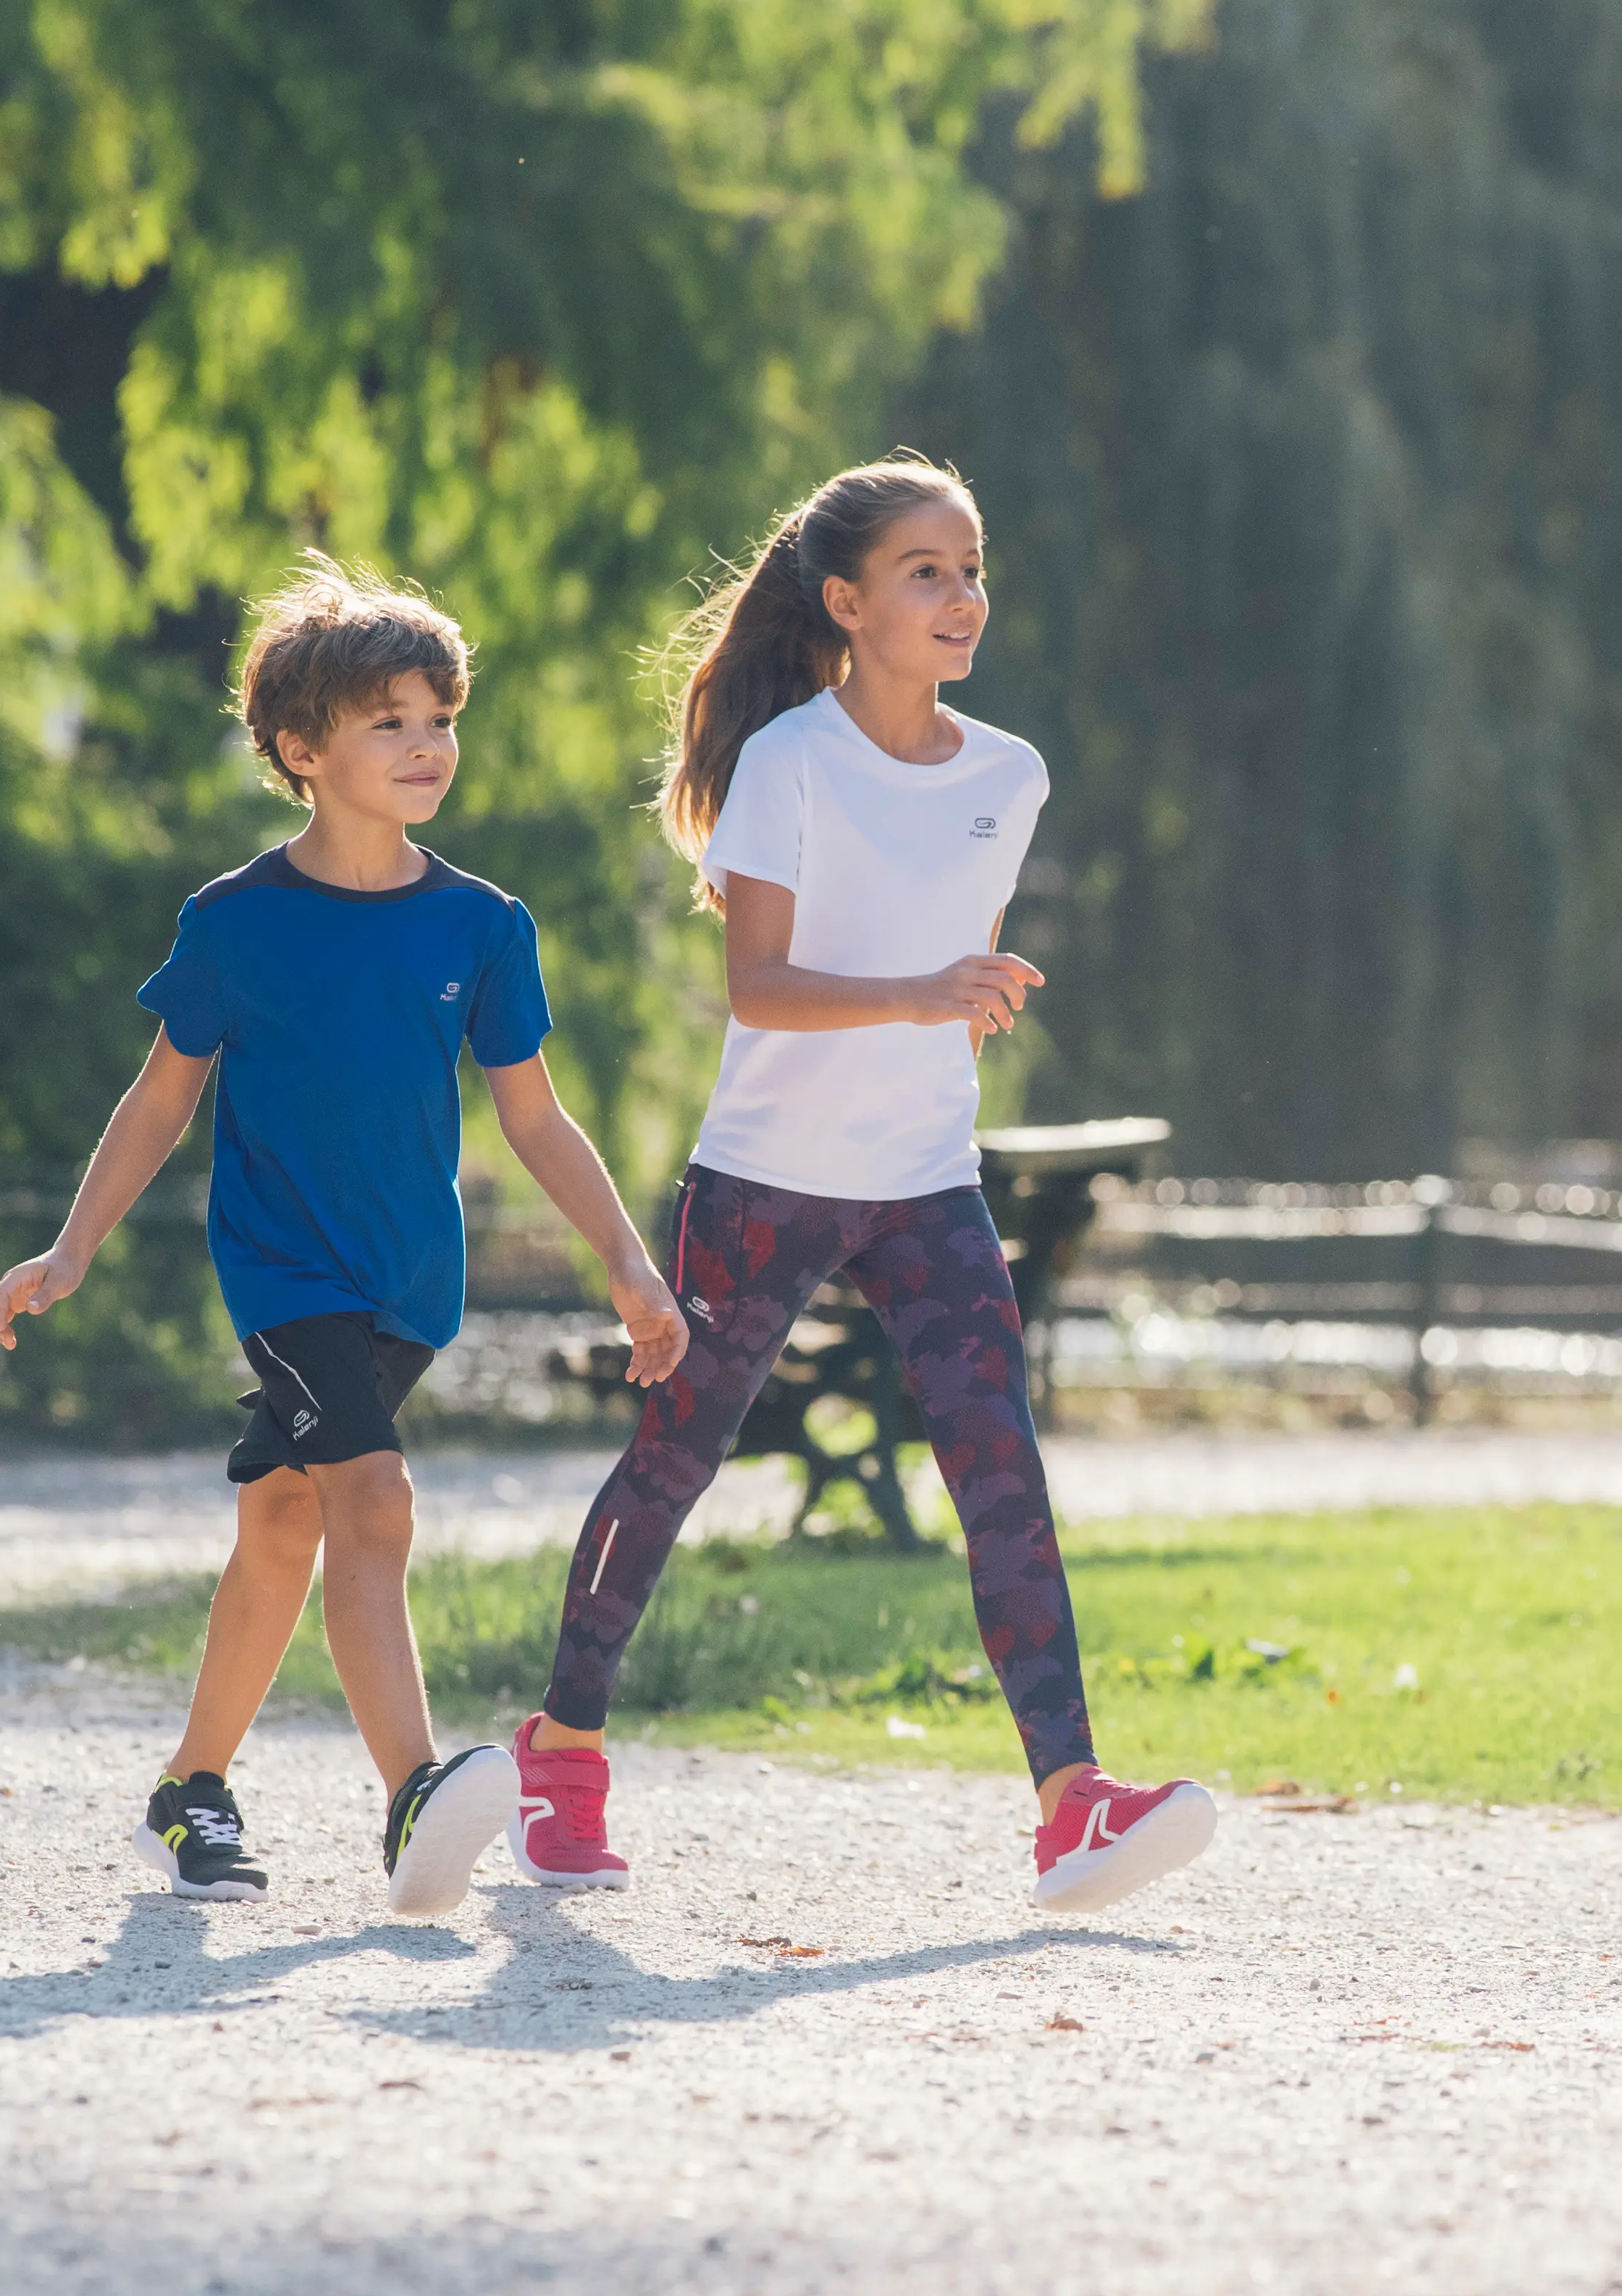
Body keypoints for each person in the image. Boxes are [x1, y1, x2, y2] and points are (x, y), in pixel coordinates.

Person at [512, 457, 1215, 1914]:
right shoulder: (787, 764)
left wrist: (960, 995)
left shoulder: (1007, 774)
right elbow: (760, 988)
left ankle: (1071, 1803)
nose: (962, 598)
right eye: (927, 573)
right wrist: (928, 989)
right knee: (674, 1463)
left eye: (972, 570)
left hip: (924, 1183)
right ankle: (562, 1752)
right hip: (766, 1182)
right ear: (848, 602)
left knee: (1001, 1477)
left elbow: (955, 970)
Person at [0, 558, 689, 1914]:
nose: (427, 745)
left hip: (411, 1284)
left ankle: (190, 1792)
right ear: (302, 749)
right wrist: (71, 1250)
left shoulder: (483, 927)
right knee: (374, 1501)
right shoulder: (235, 925)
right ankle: (414, 1791)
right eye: (390, 722)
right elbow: (161, 1099)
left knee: (284, 1519)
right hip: (283, 1268)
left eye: (440, 716)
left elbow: (536, 1122)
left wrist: (629, 1261)